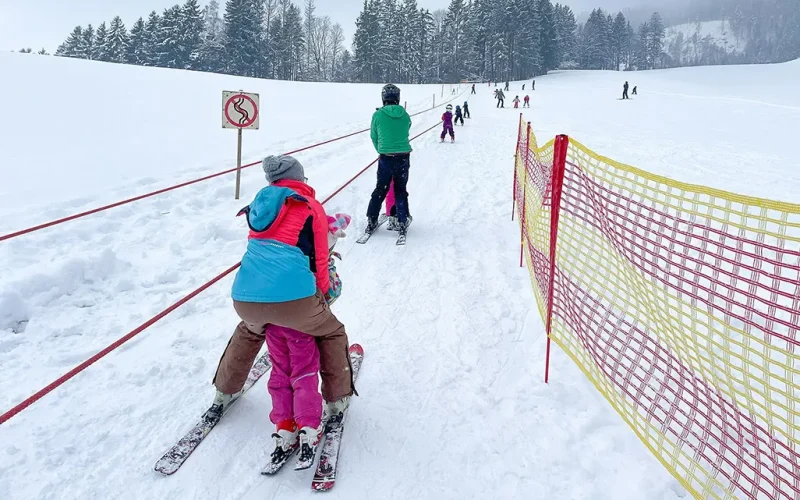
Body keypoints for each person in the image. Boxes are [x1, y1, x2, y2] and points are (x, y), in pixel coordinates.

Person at [212, 155, 356, 457]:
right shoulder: (308, 206)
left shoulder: (261, 206)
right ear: (300, 179)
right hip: (294, 301)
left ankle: (224, 391)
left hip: (246, 298)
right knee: (331, 332)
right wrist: (322, 298)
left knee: (250, 331)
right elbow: (318, 260)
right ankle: (336, 399)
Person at [264, 212, 352, 468]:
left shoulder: (280, 255)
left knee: (280, 374)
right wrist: (329, 265)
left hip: (272, 324)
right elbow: (331, 293)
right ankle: (308, 427)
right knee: (303, 373)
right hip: (300, 328)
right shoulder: (316, 264)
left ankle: (284, 425)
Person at [364, 84, 413, 238]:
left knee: (380, 189)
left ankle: (372, 219)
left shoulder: (378, 115)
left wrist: (381, 149)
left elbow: (374, 135)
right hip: (403, 156)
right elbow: (407, 129)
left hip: (386, 157)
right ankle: (402, 219)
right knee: (400, 189)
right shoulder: (405, 114)